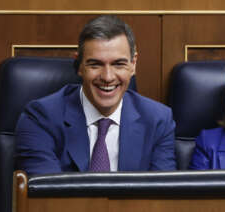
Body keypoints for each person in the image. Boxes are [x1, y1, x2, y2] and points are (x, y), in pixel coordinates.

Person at [15, 15, 176, 175]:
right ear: (79, 66)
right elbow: (46, 196)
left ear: (133, 65)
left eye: (118, 64)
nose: (107, 77)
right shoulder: (40, 118)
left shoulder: (158, 120)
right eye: (95, 64)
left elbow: (162, 197)